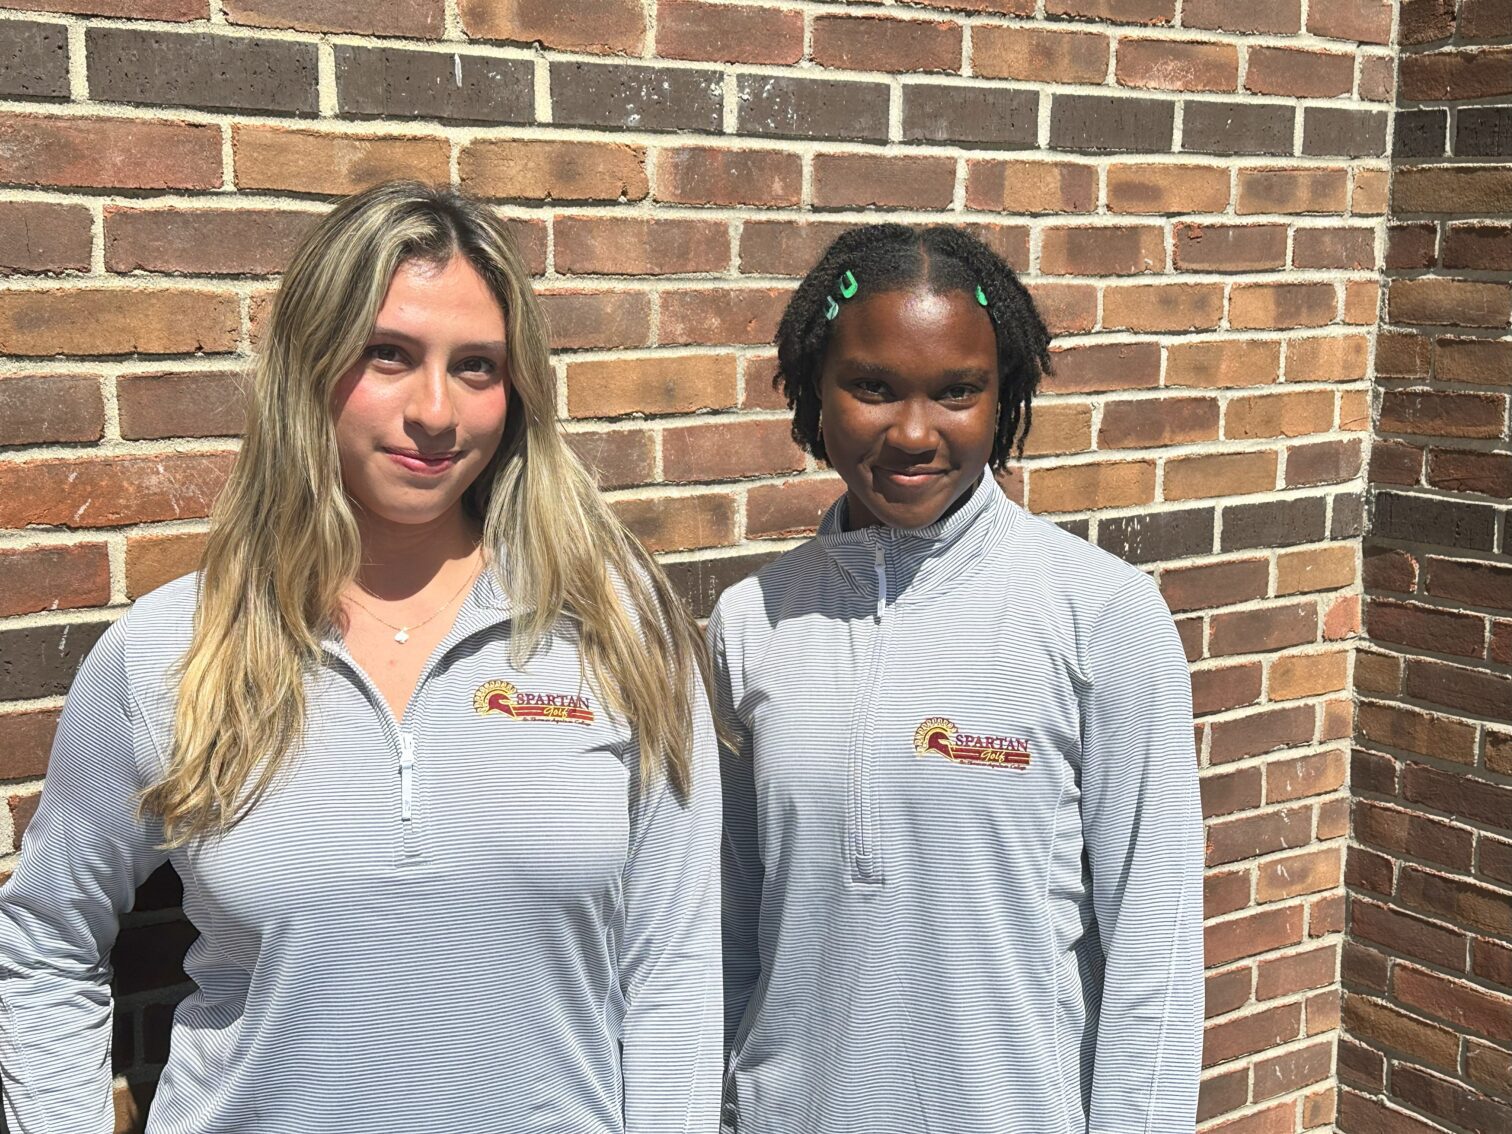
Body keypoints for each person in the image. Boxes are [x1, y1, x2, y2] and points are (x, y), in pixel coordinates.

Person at [0, 182, 721, 1134]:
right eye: (389, 355)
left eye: (476, 367)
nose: (435, 411)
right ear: (311, 362)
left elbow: (672, 960)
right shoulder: (170, 650)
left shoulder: (616, 629)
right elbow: (46, 941)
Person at [710, 224, 1203, 1133]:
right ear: (813, 388)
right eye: (872, 388)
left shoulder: (1101, 613)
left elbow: (1156, 945)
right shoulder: (752, 623)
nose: (912, 432)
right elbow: (732, 924)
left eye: (957, 392)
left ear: (1002, 394)